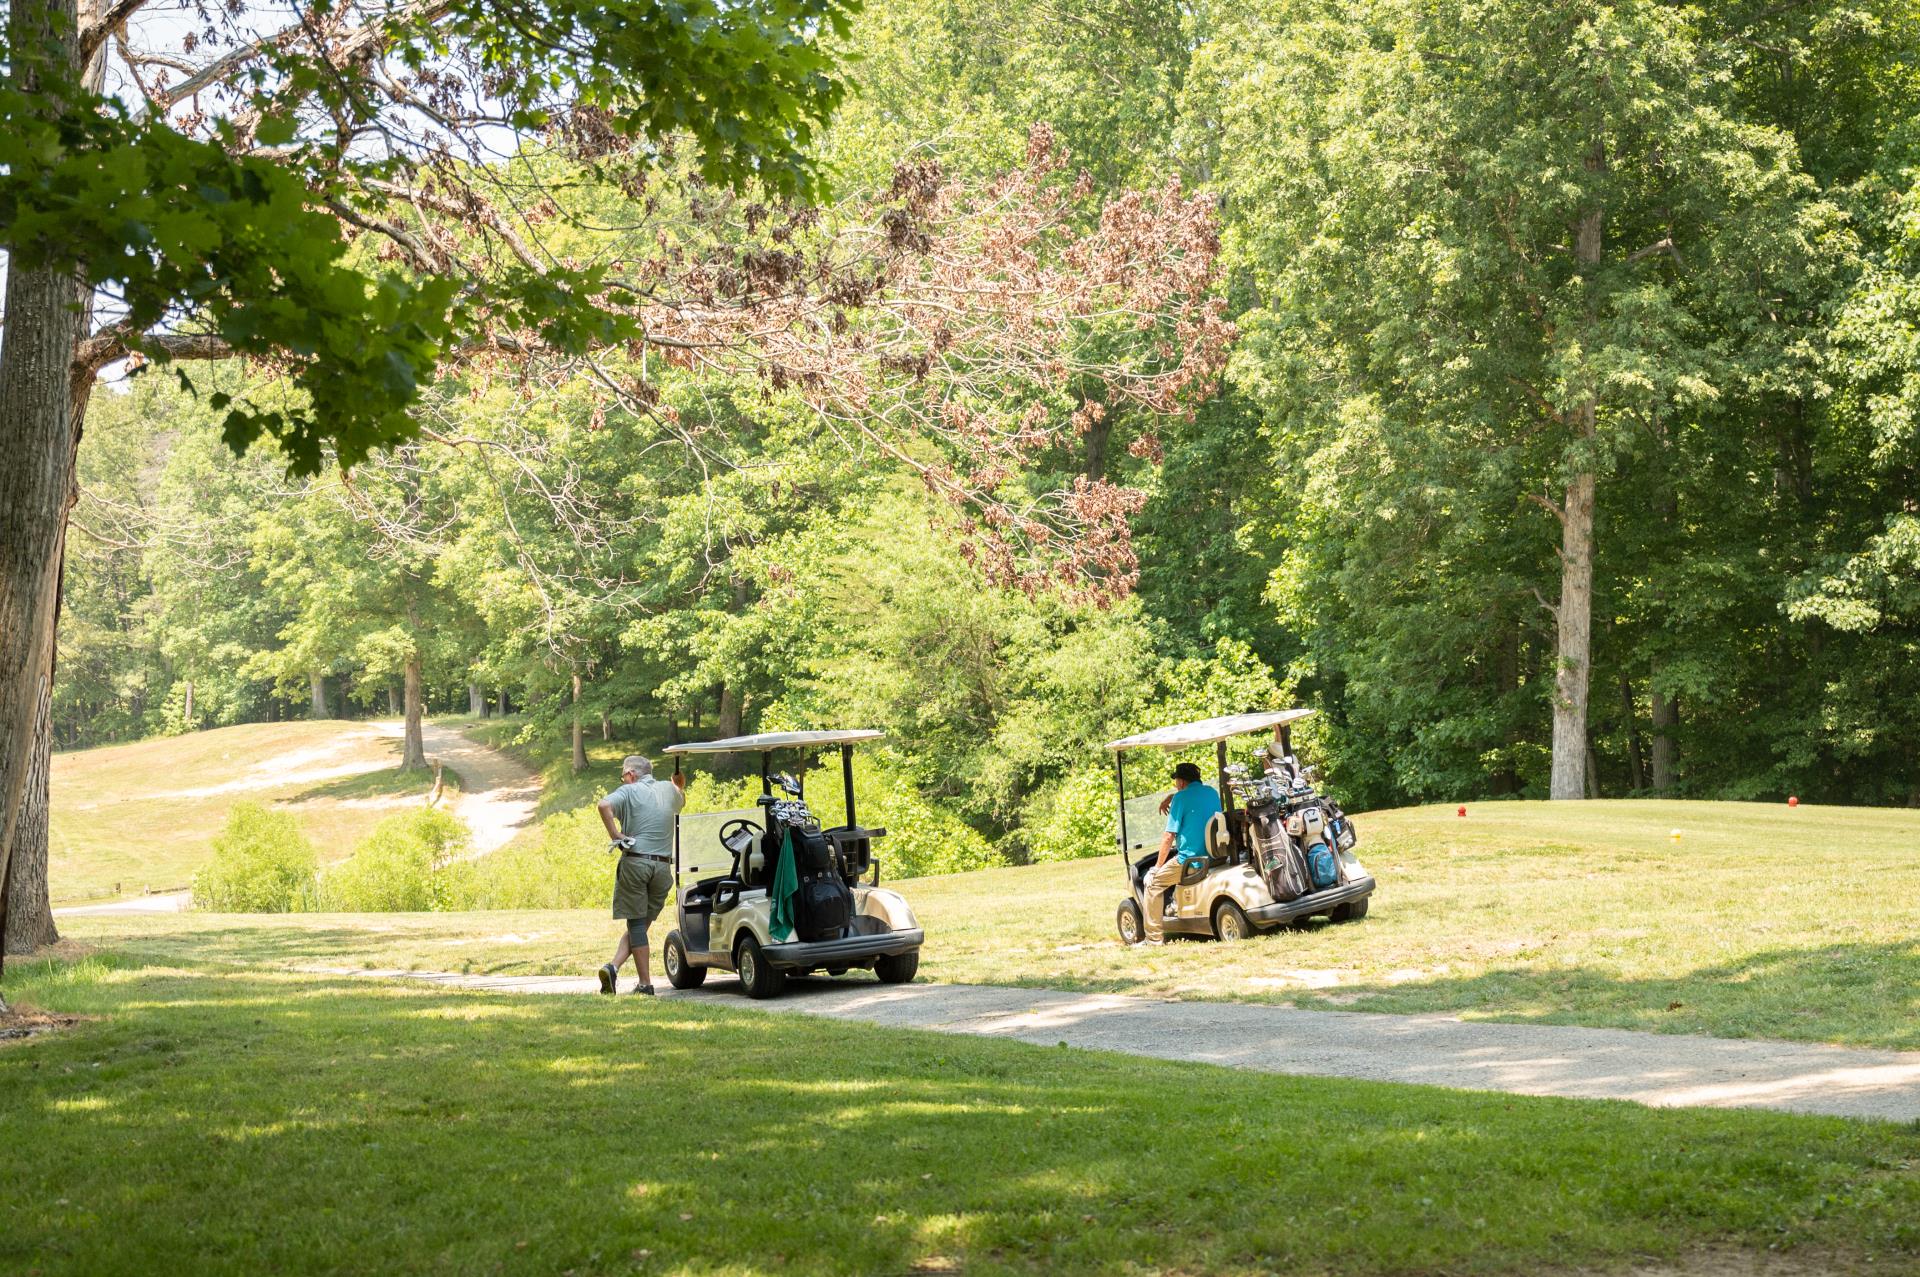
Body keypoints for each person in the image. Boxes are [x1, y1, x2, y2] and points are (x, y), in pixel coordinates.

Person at [595, 754, 685, 994]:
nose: (623, 780)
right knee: (641, 927)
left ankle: (645, 985)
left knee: (636, 926)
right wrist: (678, 785)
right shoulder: (668, 789)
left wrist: (615, 836)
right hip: (663, 869)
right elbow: (680, 799)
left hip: (636, 864)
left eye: (623, 776)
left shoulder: (628, 791)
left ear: (631, 774)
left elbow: (603, 805)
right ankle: (613, 967)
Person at [1142, 761, 1222, 942]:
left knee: (1153, 884)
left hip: (1191, 860)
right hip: (1215, 855)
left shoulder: (1181, 798)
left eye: (1176, 781)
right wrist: (1171, 797)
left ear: (1182, 782)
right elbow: (1191, 800)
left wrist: (1156, 867)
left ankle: (1153, 939)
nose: (1176, 785)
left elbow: (1168, 836)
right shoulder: (1211, 792)